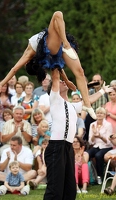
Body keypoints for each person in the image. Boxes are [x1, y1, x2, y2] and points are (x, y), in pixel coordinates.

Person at [0, 11, 96, 120]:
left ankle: (87, 105)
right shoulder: (29, 53)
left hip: (57, 45)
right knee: (57, 14)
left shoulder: (41, 58)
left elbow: (57, 64)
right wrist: (1, 83)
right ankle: (66, 44)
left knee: (80, 72)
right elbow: (14, 69)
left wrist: (66, 80)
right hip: (56, 44)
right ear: (28, 63)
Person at [43, 68, 77, 200]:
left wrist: (103, 91)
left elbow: (88, 100)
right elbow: (55, 77)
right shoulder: (55, 98)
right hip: (56, 147)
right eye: (61, 82)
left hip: (68, 148)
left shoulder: (71, 106)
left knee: (70, 190)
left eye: (65, 82)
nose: (64, 82)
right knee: (55, 190)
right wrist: (56, 58)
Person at [88, 107, 113, 185]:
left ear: (104, 115)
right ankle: (88, 176)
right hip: (96, 146)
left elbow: (109, 142)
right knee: (86, 154)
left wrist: (100, 136)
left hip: (106, 146)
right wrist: (94, 135)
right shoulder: (92, 124)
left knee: (98, 155)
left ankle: (99, 176)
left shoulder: (108, 125)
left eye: (101, 113)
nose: (99, 114)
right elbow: (90, 142)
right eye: (98, 113)